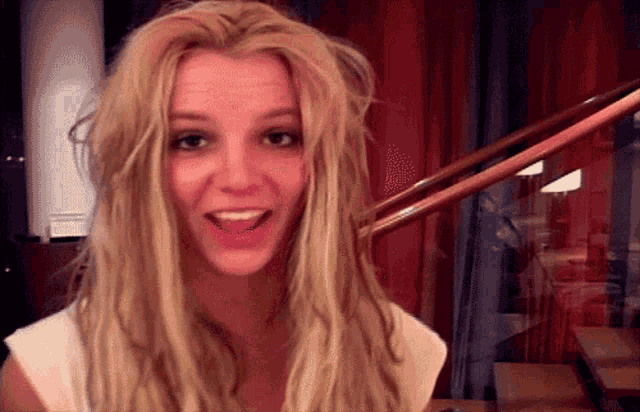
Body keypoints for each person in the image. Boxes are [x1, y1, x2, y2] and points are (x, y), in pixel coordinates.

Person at [0, 1, 446, 411]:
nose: (239, 179)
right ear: (139, 168)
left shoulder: (400, 354)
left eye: (278, 137)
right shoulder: (52, 378)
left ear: (323, 164)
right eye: (192, 140)